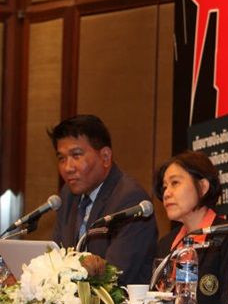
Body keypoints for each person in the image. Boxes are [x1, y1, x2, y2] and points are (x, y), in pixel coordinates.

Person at [49, 114, 157, 285]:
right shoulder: (68, 195)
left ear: (105, 157)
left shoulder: (130, 199)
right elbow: (54, 257)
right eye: (62, 158)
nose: (68, 168)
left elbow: (115, 274)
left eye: (76, 155)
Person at [153, 150, 228, 304]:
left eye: (175, 183)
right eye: (164, 187)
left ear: (203, 187)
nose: (166, 193)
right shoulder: (166, 245)